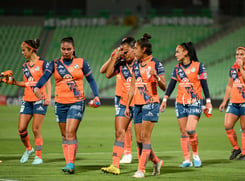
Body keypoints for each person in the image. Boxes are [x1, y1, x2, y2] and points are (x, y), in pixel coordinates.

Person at [34, 37, 100, 174]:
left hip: (77, 101)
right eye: (63, 49)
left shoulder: (81, 63)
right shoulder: (54, 64)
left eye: (68, 49)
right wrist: (37, 87)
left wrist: (96, 95)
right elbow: (45, 77)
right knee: (65, 135)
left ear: (73, 49)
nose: (65, 52)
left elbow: (91, 80)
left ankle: (71, 164)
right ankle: (68, 162)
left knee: (70, 132)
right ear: (60, 49)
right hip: (60, 103)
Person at [160, 42, 212, 168]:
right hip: (180, 102)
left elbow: (204, 84)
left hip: (195, 101)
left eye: (178, 51)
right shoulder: (177, 68)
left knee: (190, 129)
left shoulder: (199, 66)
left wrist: (208, 102)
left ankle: (195, 155)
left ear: (186, 52)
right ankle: (187, 160)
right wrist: (165, 100)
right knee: (183, 132)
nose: (176, 54)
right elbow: (172, 85)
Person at [3, 39, 51, 165]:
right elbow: (27, 83)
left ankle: (38, 157)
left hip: (40, 99)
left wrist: (48, 97)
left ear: (31, 50)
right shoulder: (25, 66)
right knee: (21, 129)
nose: (22, 53)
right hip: (27, 100)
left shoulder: (43, 63)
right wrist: (14, 82)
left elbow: (48, 80)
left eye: (24, 50)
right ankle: (29, 149)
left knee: (35, 129)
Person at [125, 33, 166, 178]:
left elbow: (164, 86)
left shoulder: (156, 64)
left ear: (143, 49)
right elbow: (132, 85)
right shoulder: (136, 64)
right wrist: (127, 105)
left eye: (135, 48)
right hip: (137, 105)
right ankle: (156, 161)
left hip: (151, 104)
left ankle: (141, 169)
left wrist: (156, 77)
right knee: (138, 140)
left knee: (145, 138)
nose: (133, 51)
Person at [100, 37, 136, 175]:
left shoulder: (140, 64)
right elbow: (106, 73)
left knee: (141, 137)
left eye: (126, 51)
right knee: (121, 130)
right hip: (122, 99)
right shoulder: (120, 63)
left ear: (134, 49)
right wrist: (113, 57)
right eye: (122, 50)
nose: (123, 53)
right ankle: (116, 163)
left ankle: (153, 160)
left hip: (138, 102)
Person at [219, 46, 245, 160]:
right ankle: (236, 148)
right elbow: (230, 85)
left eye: (241, 54)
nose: (238, 56)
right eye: (237, 54)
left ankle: (244, 154)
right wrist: (224, 101)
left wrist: (241, 68)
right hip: (234, 102)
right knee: (227, 125)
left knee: (244, 129)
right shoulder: (232, 69)